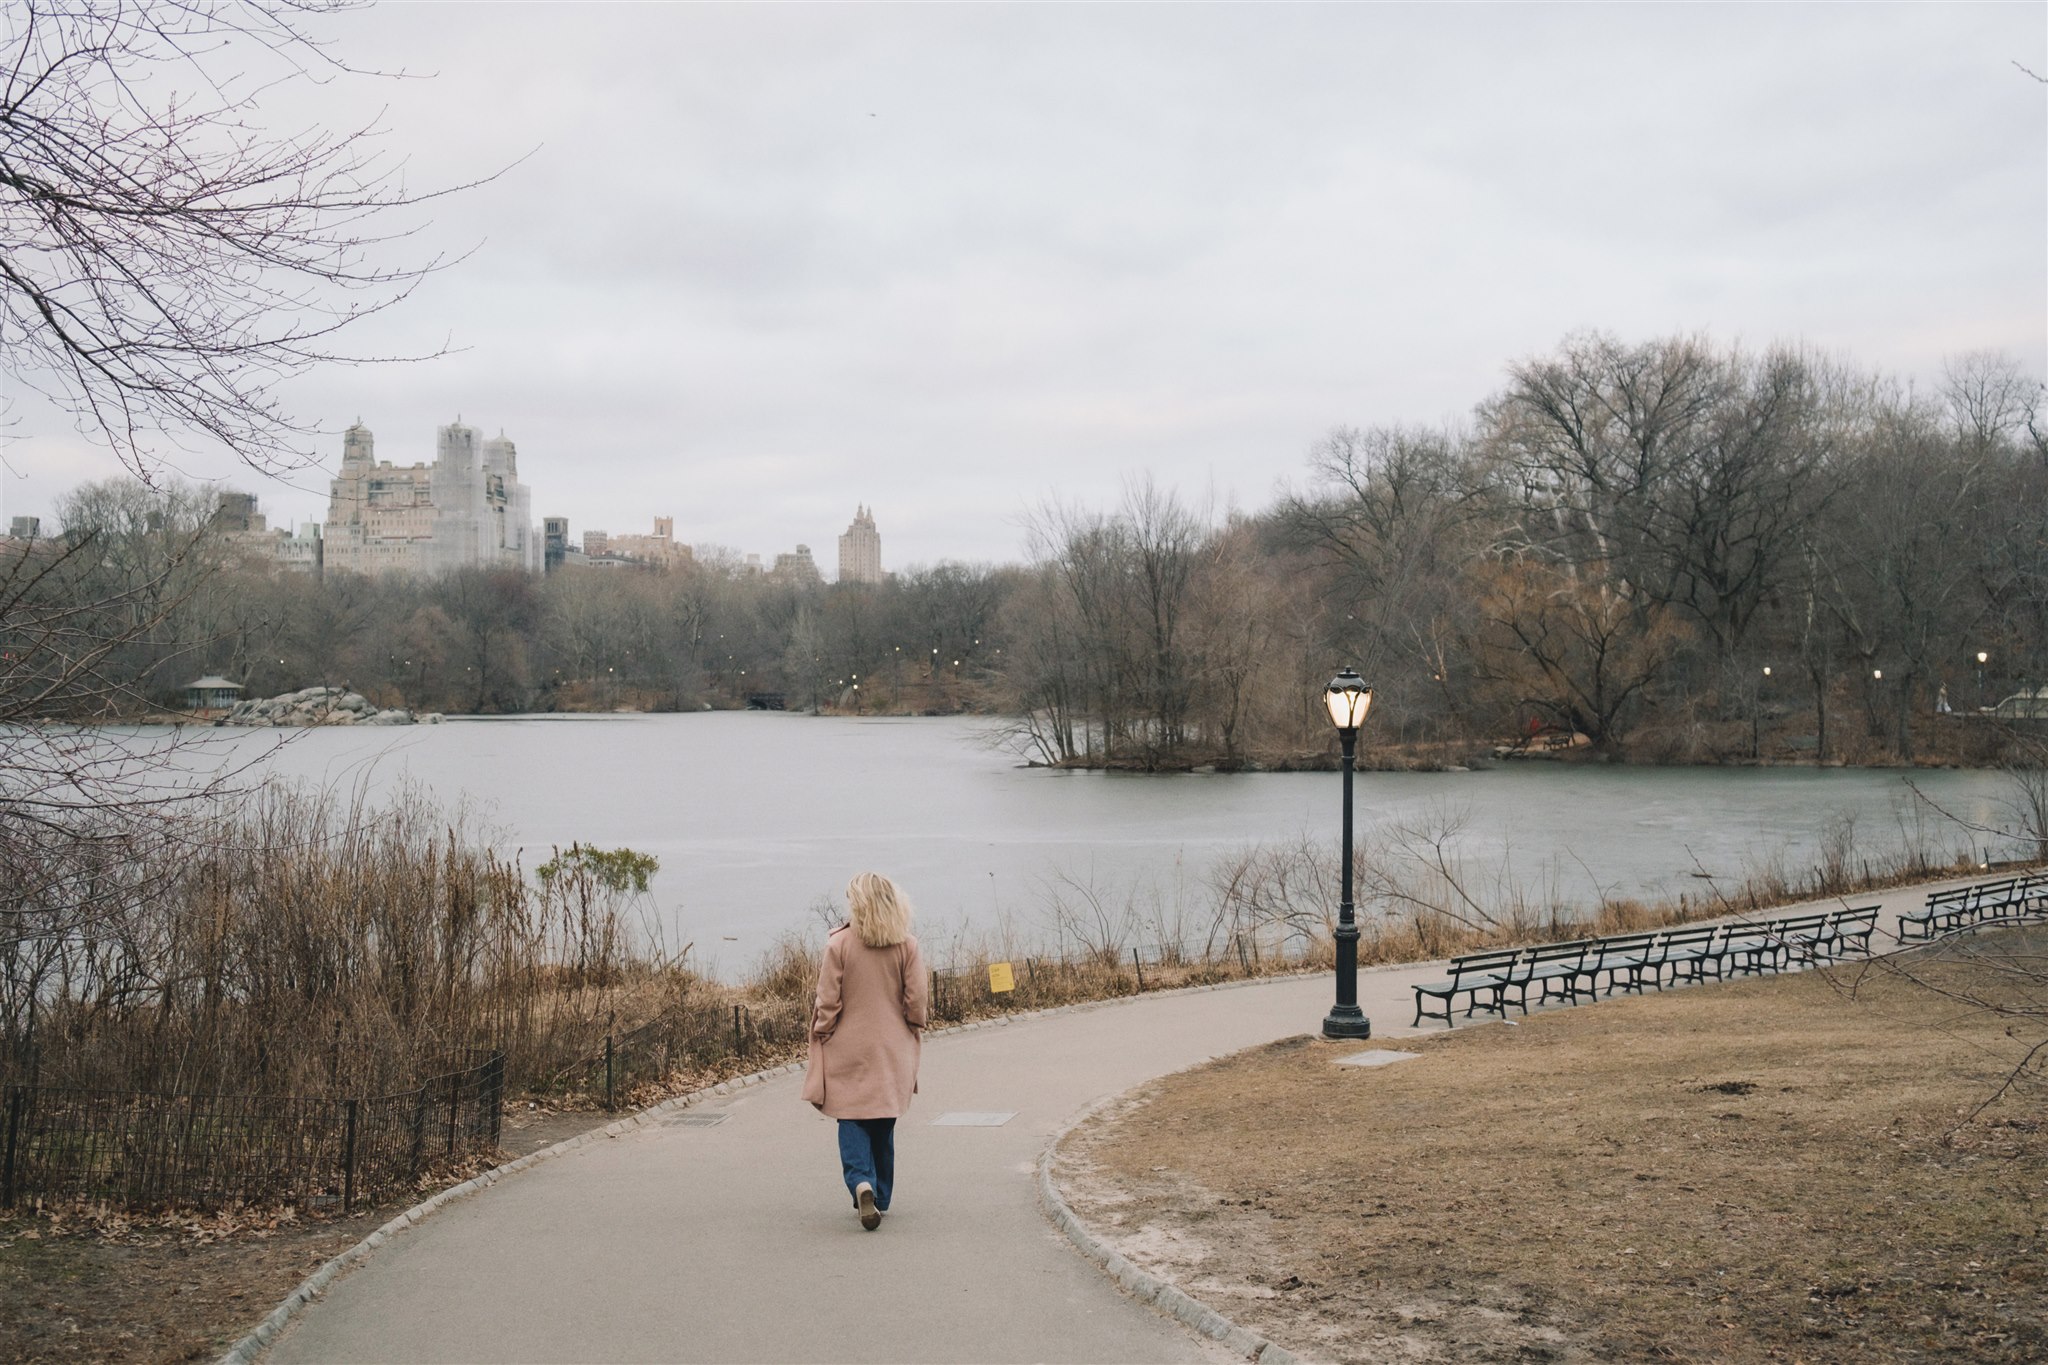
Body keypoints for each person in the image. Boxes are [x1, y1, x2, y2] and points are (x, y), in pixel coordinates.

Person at [801, 872, 929, 1231]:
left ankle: (861, 1182)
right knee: (883, 1121)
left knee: (851, 1117)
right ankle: (881, 1194)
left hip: (847, 1046)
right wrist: (912, 1025)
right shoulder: (907, 945)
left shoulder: (838, 945)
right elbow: (916, 1000)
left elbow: (827, 1000)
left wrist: (823, 1031)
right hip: (891, 1048)